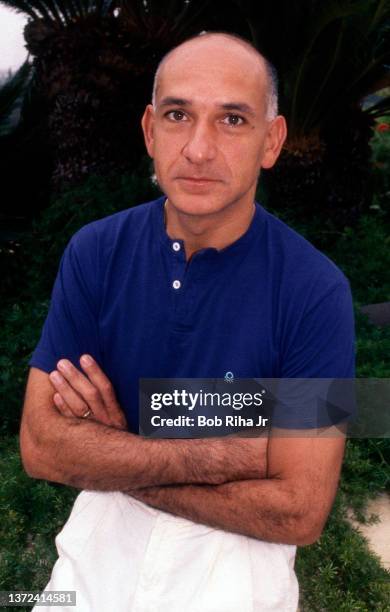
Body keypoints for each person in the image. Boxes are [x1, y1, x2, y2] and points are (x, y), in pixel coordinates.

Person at [20, 31, 355, 612]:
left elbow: (301, 509)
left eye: (232, 120)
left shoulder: (317, 290)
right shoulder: (95, 253)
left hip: (236, 580)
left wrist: (116, 449)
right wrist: (225, 455)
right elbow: (41, 448)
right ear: (151, 131)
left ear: (271, 141)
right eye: (179, 114)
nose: (198, 149)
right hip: (91, 571)